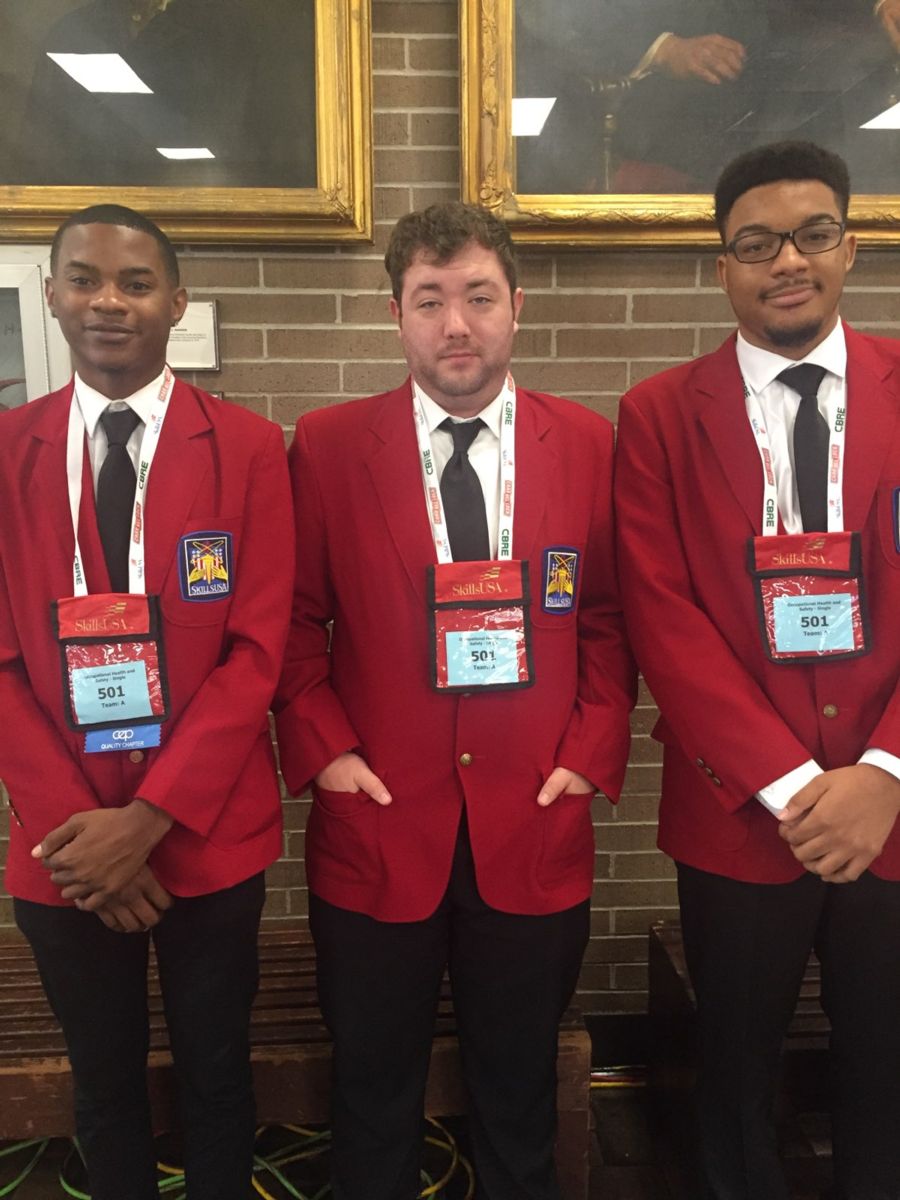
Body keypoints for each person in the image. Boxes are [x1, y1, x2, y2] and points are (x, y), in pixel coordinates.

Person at [274, 201, 635, 1200]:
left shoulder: (589, 445)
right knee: (374, 1091)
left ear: (516, 305)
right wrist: (326, 753)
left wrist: (589, 752)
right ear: (397, 315)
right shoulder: (329, 446)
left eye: (478, 296)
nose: (456, 325)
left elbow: (607, 619)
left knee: (519, 1089)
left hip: (536, 817)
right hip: (379, 822)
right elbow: (295, 626)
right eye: (429, 301)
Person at [615, 141, 900, 1199]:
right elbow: (662, 617)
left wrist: (881, 773)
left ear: (850, 247)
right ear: (723, 264)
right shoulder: (656, 415)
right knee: (733, 1074)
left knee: (886, 1067)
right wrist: (794, 788)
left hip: (896, 805)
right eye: (756, 242)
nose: (788, 260)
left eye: (813, 233)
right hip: (741, 813)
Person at [0, 204, 293, 1200]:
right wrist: (87, 835)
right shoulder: (6, 452)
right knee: (105, 1088)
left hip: (203, 835)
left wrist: (151, 818)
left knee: (217, 1076)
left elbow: (258, 650)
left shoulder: (251, 448)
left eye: (134, 283)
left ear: (176, 301)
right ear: (50, 296)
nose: (108, 302)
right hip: (66, 851)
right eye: (83, 279)